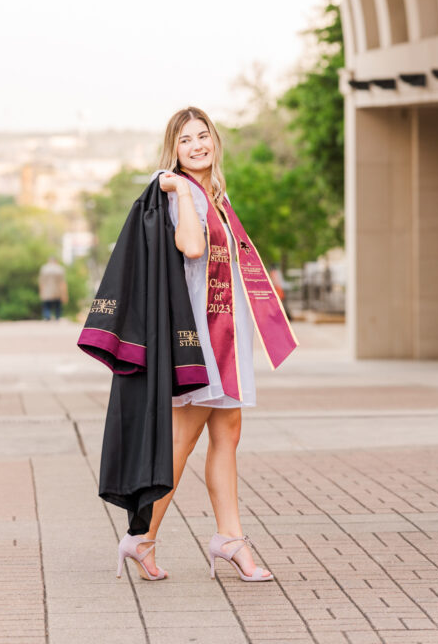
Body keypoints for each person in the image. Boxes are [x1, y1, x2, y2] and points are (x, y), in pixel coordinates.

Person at [113, 107, 298, 583]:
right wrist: (179, 190)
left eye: (203, 136)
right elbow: (192, 248)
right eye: (185, 140)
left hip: (228, 334)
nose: (196, 146)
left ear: (215, 141)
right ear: (173, 149)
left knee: (228, 434)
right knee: (182, 439)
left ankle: (229, 538)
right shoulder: (180, 193)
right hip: (199, 336)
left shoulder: (217, 194)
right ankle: (141, 535)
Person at [38, 256, 68, 320]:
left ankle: (47, 316)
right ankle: (57, 317)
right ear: (56, 261)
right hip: (58, 291)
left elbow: (41, 281)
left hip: (46, 291)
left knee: (47, 305)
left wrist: (41, 291)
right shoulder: (60, 269)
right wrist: (64, 294)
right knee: (57, 305)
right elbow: (63, 282)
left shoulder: (44, 269)